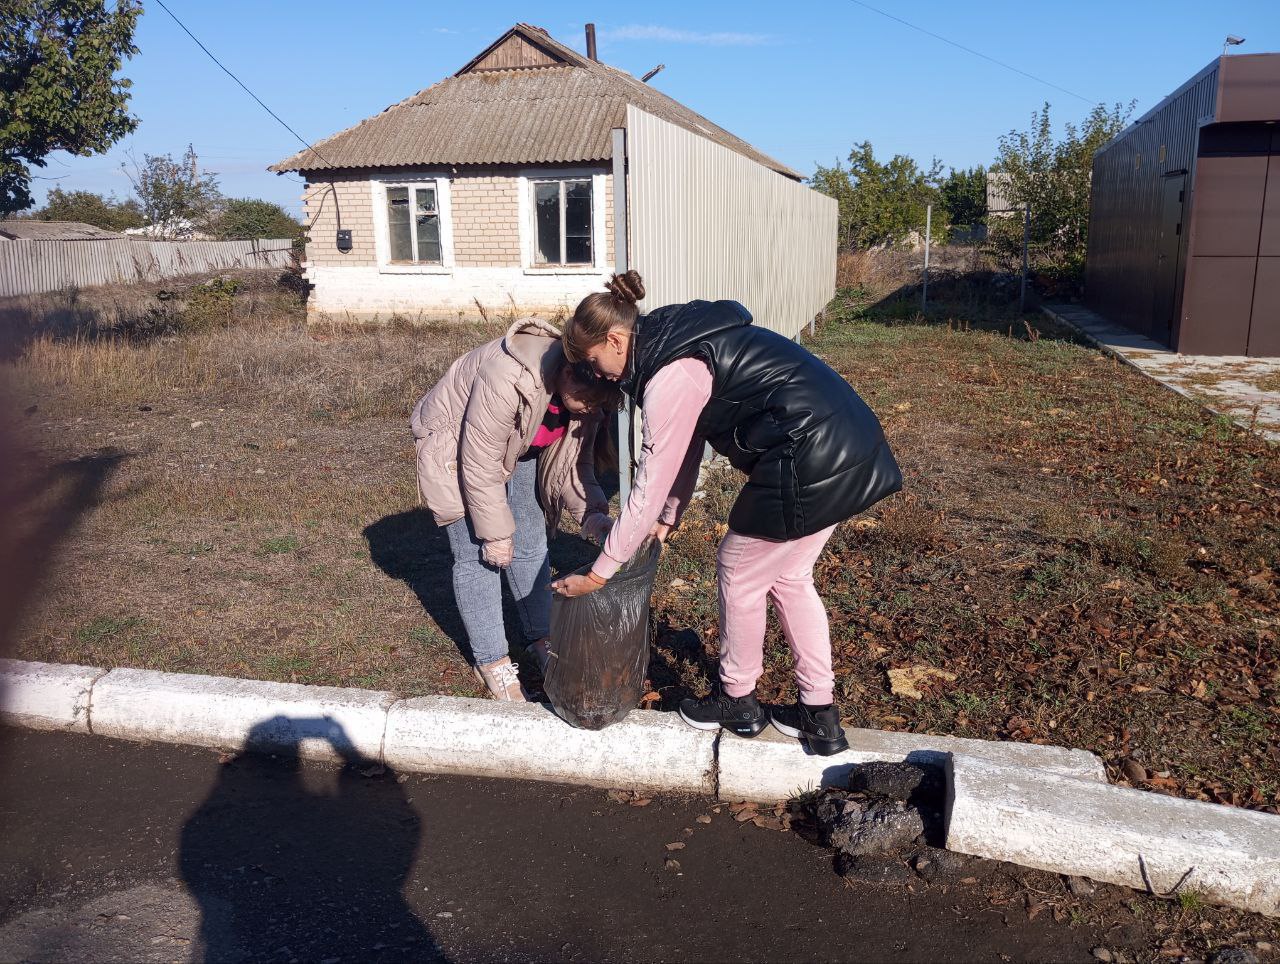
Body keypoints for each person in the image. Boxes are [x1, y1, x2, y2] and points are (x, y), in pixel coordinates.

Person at [552, 272, 902, 755]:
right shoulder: (680, 342)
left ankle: (738, 700)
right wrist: (669, 517)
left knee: (738, 569)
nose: (600, 376)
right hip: (847, 445)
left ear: (615, 340)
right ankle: (819, 714)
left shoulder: (669, 374)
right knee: (791, 578)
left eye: (595, 362)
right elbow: (686, 449)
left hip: (809, 457)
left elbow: (650, 481)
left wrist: (599, 572)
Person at [412, 317, 617, 701]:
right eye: (588, 403)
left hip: (517, 447)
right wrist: (495, 534)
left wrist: (592, 514)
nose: (591, 412)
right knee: (480, 555)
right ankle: (492, 661)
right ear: (568, 374)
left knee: (531, 540)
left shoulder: (590, 391)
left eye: (599, 406)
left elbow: (576, 464)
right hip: (456, 445)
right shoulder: (508, 377)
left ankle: (542, 637)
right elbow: (479, 461)